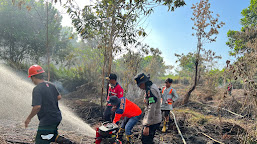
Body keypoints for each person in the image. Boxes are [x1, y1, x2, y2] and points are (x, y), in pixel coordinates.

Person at [24, 65, 72, 144]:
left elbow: (37, 107)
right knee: (52, 136)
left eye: (31, 78)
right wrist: (49, 99)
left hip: (48, 120)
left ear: (33, 77)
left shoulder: (37, 89)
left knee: (40, 141)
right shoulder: (51, 85)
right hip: (56, 117)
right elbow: (59, 97)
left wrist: (28, 118)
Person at [134, 73, 162, 144]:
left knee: (146, 140)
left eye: (139, 85)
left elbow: (151, 108)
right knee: (147, 139)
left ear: (143, 83)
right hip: (152, 119)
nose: (139, 87)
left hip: (152, 121)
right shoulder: (150, 87)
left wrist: (147, 125)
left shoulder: (151, 90)